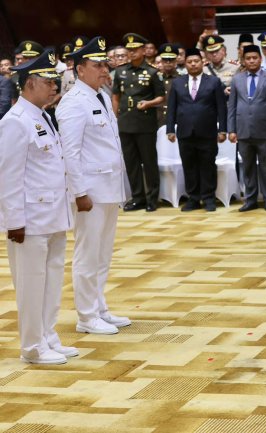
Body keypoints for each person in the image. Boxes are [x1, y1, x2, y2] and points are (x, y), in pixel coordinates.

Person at [0, 50, 75, 364]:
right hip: (29, 221)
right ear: (29, 84)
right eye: (49, 80)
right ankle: (32, 346)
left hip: (53, 215)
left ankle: (47, 336)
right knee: (31, 285)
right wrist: (13, 221)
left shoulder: (43, 114)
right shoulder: (15, 122)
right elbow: (8, 175)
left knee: (51, 280)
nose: (55, 85)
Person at [56, 36, 130, 335]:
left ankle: (99, 307)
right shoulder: (74, 102)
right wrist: (79, 193)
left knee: (103, 253)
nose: (105, 70)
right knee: (88, 254)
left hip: (108, 186)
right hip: (90, 191)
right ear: (79, 69)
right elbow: (70, 153)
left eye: (105, 64)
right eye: (98, 65)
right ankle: (86, 316)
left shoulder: (99, 95)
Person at [166, 48, 227, 212]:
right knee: (189, 165)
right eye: (189, 62)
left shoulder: (213, 81)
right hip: (185, 132)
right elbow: (172, 107)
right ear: (185, 64)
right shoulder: (178, 82)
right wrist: (170, 129)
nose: (193, 64)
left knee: (208, 164)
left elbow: (221, 107)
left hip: (207, 131)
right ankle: (193, 198)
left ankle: (208, 198)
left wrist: (223, 130)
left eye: (196, 61)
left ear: (202, 62)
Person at [112, 33, 164, 212]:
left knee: (149, 162)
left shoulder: (152, 72)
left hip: (145, 122)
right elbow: (116, 96)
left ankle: (152, 198)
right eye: (129, 50)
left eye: (135, 50)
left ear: (143, 50)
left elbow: (161, 97)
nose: (132, 53)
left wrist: (149, 103)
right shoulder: (120, 71)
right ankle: (137, 197)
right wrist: (115, 117)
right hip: (125, 122)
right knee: (131, 163)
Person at [228, 45, 266, 212]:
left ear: (260, 59)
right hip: (243, 130)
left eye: (255, 58)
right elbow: (232, 107)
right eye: (248, 58)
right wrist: (231, 129)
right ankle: (250, 200)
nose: (251, 61)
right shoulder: (237, 79)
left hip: (265, 131)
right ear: (244, 61)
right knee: (248, 167)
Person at [156, 43, 180, 127]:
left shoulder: (183, 79)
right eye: (165, 59)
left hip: (177, 119)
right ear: (161, 61)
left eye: (171, 59)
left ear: (176, 60)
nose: (168, 62)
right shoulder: (155, 78)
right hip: (157, 119)